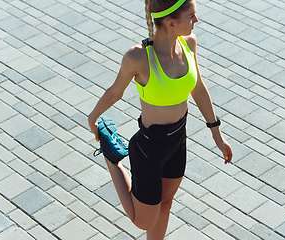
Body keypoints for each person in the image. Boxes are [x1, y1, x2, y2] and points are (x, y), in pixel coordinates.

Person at [88, 0, 233, 239]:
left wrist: (216, 133)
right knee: (143, 221)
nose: (196, 21)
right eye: (192, 16)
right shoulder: (139, 57)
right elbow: (116, 91)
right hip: (149, 148)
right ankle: (112, 156)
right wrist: (93, 116)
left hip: (178, 141)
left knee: (165, 204)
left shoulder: (189, 44)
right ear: (171, 22)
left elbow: (197, 88)